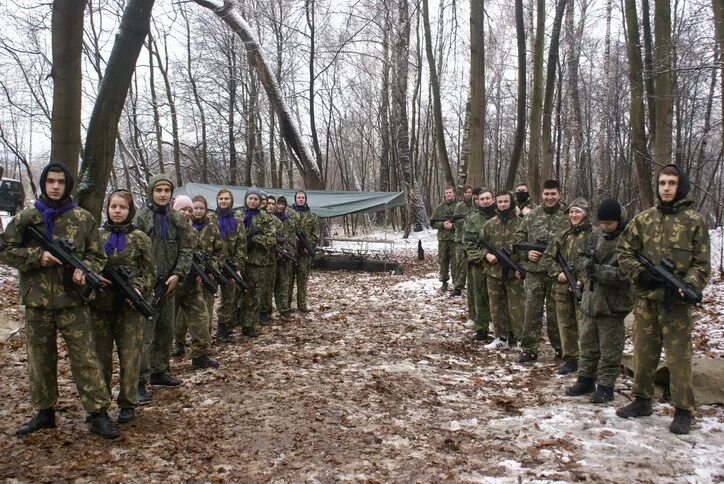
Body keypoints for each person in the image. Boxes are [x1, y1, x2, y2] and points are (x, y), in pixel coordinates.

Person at [0, 161, 119, 439]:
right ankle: (44, 412)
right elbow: (4, 249)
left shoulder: (82, 218)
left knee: (85, 358)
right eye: (51, 181)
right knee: (40, 360)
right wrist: (35, 257)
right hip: (37, 302)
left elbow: (98, 256)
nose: (55, 186)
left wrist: (83, 269)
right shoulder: (27, 217)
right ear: (43, 183)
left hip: (73, 301)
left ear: (68, 185)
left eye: (61, 182)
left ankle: (98, 412)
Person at [615, 164, 710, 434]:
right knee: (644, 354)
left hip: (676, 304)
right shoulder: (644, 219)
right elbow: (624, 251)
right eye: (662, 183)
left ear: (681, 187)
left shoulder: (694, 221)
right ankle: (642, 400)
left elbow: (702, 264)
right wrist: (641, 274)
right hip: (646, 300)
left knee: (679, 358)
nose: (666, 188)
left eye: (671, 183)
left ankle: (683, 410)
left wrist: (687, 285)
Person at [91, 189, 155, 424]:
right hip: (101, 306)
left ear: (130, 210)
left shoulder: (140, 238)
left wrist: (137, 287)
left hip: (130, 308)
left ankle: (128, 402)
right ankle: (99, 405)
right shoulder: (96, 235)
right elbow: (88, 264)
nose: (117, 211)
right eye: (113, 206)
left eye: (123, 207)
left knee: (130, 358)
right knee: (100, 358)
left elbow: (150, 271)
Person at [565, 198, 633, 403]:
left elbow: (624, 273)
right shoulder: (596, 236)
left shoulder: (628, 240)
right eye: (602, 224)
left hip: (613, 304)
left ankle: (606, 386)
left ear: (618, 221)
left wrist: (596, 270)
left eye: (609, 224)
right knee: (587, 344)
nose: (605, 227)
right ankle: (585, 379)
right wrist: (586, 267)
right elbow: (582, 257)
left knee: (610, 348)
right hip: (591, 300)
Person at [134, 175, 193, 402]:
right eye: (158, 190)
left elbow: (186, 249)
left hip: (169, 285)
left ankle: (159, 371)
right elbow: (133, 252)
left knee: (165, 330)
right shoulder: (141, 218)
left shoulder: (177, 219)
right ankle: (138, 381)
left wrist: (178, 274)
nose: (162, 194)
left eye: (166, 190)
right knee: (144, 334)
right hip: (146, 286)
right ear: (151, 192)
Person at [515, 179, 568, 363]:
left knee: (557, 313)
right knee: (531, 311)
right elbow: (519, 239)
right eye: (547, 194)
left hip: (557, 273)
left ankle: (561, 347)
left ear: (559, 194)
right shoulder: (532, 216)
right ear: (541, 195)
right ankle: (529, 349)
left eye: (553, 194)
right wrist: (527, 254)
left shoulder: (568, 216)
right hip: (535, 272)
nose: (550, 197)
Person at [543, 197, 593, 375]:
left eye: (578, 212)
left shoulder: (594, 236)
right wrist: (559, 273)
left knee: (585, 326)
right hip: (562, 288)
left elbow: (598, 261)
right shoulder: (562, 235)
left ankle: (588, 360)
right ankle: (571, 358)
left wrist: (583, 280)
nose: (574, 215)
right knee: (565, 325)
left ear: (586, 214)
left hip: (586, 290)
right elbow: (548, 257)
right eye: (571, 212)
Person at [172, 195, 220, 369]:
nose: (186, 213)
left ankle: (199, 355)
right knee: (167, 324)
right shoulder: (168, 232)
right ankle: (159, 365)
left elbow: (199, 253)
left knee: (201, 320)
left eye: (189, 210)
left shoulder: (192, 232)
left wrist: (201, 270)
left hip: (192, 285)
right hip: (171, 284)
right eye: (182, 209)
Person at [481, 191, 524, 350]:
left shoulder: (521, 224)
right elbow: (480, 246)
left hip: (515, 273)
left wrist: (521, 267)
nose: (503, 204)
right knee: (496, 306)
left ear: (511, 202)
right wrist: (487, 255)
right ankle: (501, 338)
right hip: (494, 272)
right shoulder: (489, 224)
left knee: (517, 306)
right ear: (496, 203)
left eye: (506, 201)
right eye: (500, 202)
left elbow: (525, 249)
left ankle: (520, 338)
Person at [208, 189, 246, 342]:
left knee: (228, 298)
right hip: (212, 264)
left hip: (230, 265)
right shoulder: (210, 218)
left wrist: (237, 266)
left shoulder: (237, 220)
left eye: (226, 199)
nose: (223, 201)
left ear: (231, 201)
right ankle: (205, 331)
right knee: (208, 299)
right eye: (221, 199)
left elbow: (241, 246)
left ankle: (223, 329)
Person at [240, 188, 277, 335]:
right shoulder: (239, 215)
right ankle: (231, 323)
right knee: (236, 293)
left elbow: (271, 239)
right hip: (239, 260)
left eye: (256, 199)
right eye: (250, 199)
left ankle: (248, 324)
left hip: (257, 261)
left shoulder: (266, 217)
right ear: (246, 199)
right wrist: (245, 239)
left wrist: (255, 238)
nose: (253, 201)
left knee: (253, 294)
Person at [462, 188, 497, 341]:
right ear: (478, 201)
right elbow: (468, 243)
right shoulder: (472, 219)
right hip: (479, 264)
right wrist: (482, 256)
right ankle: (481, 328)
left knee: (500, 297)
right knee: (480, 296)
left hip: (500, 264)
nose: (485, 201)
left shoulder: (501, 216)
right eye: (482, 199)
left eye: (488, 198)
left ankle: (502, 328)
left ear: (493, 199)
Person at [288, 190, 319, 312]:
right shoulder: (289, 214)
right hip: (291, 251)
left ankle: (302, 305)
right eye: (298, 197)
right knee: (288, 280)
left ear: (305, 199)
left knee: (302, 279)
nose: (300, 199)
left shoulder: (312, 215)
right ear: (295, 199)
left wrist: (307, 246)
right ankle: (286, 306)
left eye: (302, 197)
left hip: (305, 253)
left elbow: (315, 234)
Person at [430, 186, 458, 292]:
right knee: (443, 261)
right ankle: (444, 283)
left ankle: (457, 284)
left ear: (454, 193)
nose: (448, 194)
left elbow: (465, 221)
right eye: (446, 193)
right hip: (443, 239)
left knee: (456, 262)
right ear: (444, 194)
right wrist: (442, 224)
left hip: (456, 239)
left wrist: (453, 226)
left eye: (450, 192)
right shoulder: (439, 208)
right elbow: (432, 222)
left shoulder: (459, 207)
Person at [273, 196, 296, 320]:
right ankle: (265, 311)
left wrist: (288, 252)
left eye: (283, 204)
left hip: (285, 257)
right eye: (279, 204)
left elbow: (292, 239)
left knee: (283, 284)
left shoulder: (289, 221)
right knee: (270, 284)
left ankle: (284, 309)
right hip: (271, 256)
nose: (280, 206)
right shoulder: (271, 219)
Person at [260, 195, 281, 324]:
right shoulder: (251, 217)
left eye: (273, 203)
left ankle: (264, 312)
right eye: (269, 203)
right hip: (253, 259)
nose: (271, 206)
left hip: (270, 259)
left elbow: (279, 239)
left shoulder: (276, 221)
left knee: (267, 288)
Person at [451, 184, 475, 297]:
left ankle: (473, 286)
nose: (468, 194)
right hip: (460, 239)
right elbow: (456, 221)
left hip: (474, 239)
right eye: (466, 192)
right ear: (463, 194)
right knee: (460, 263)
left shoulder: (476, 205)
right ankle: (458, 286)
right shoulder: (459, 206)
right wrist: (467, 222)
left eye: (470, 192)